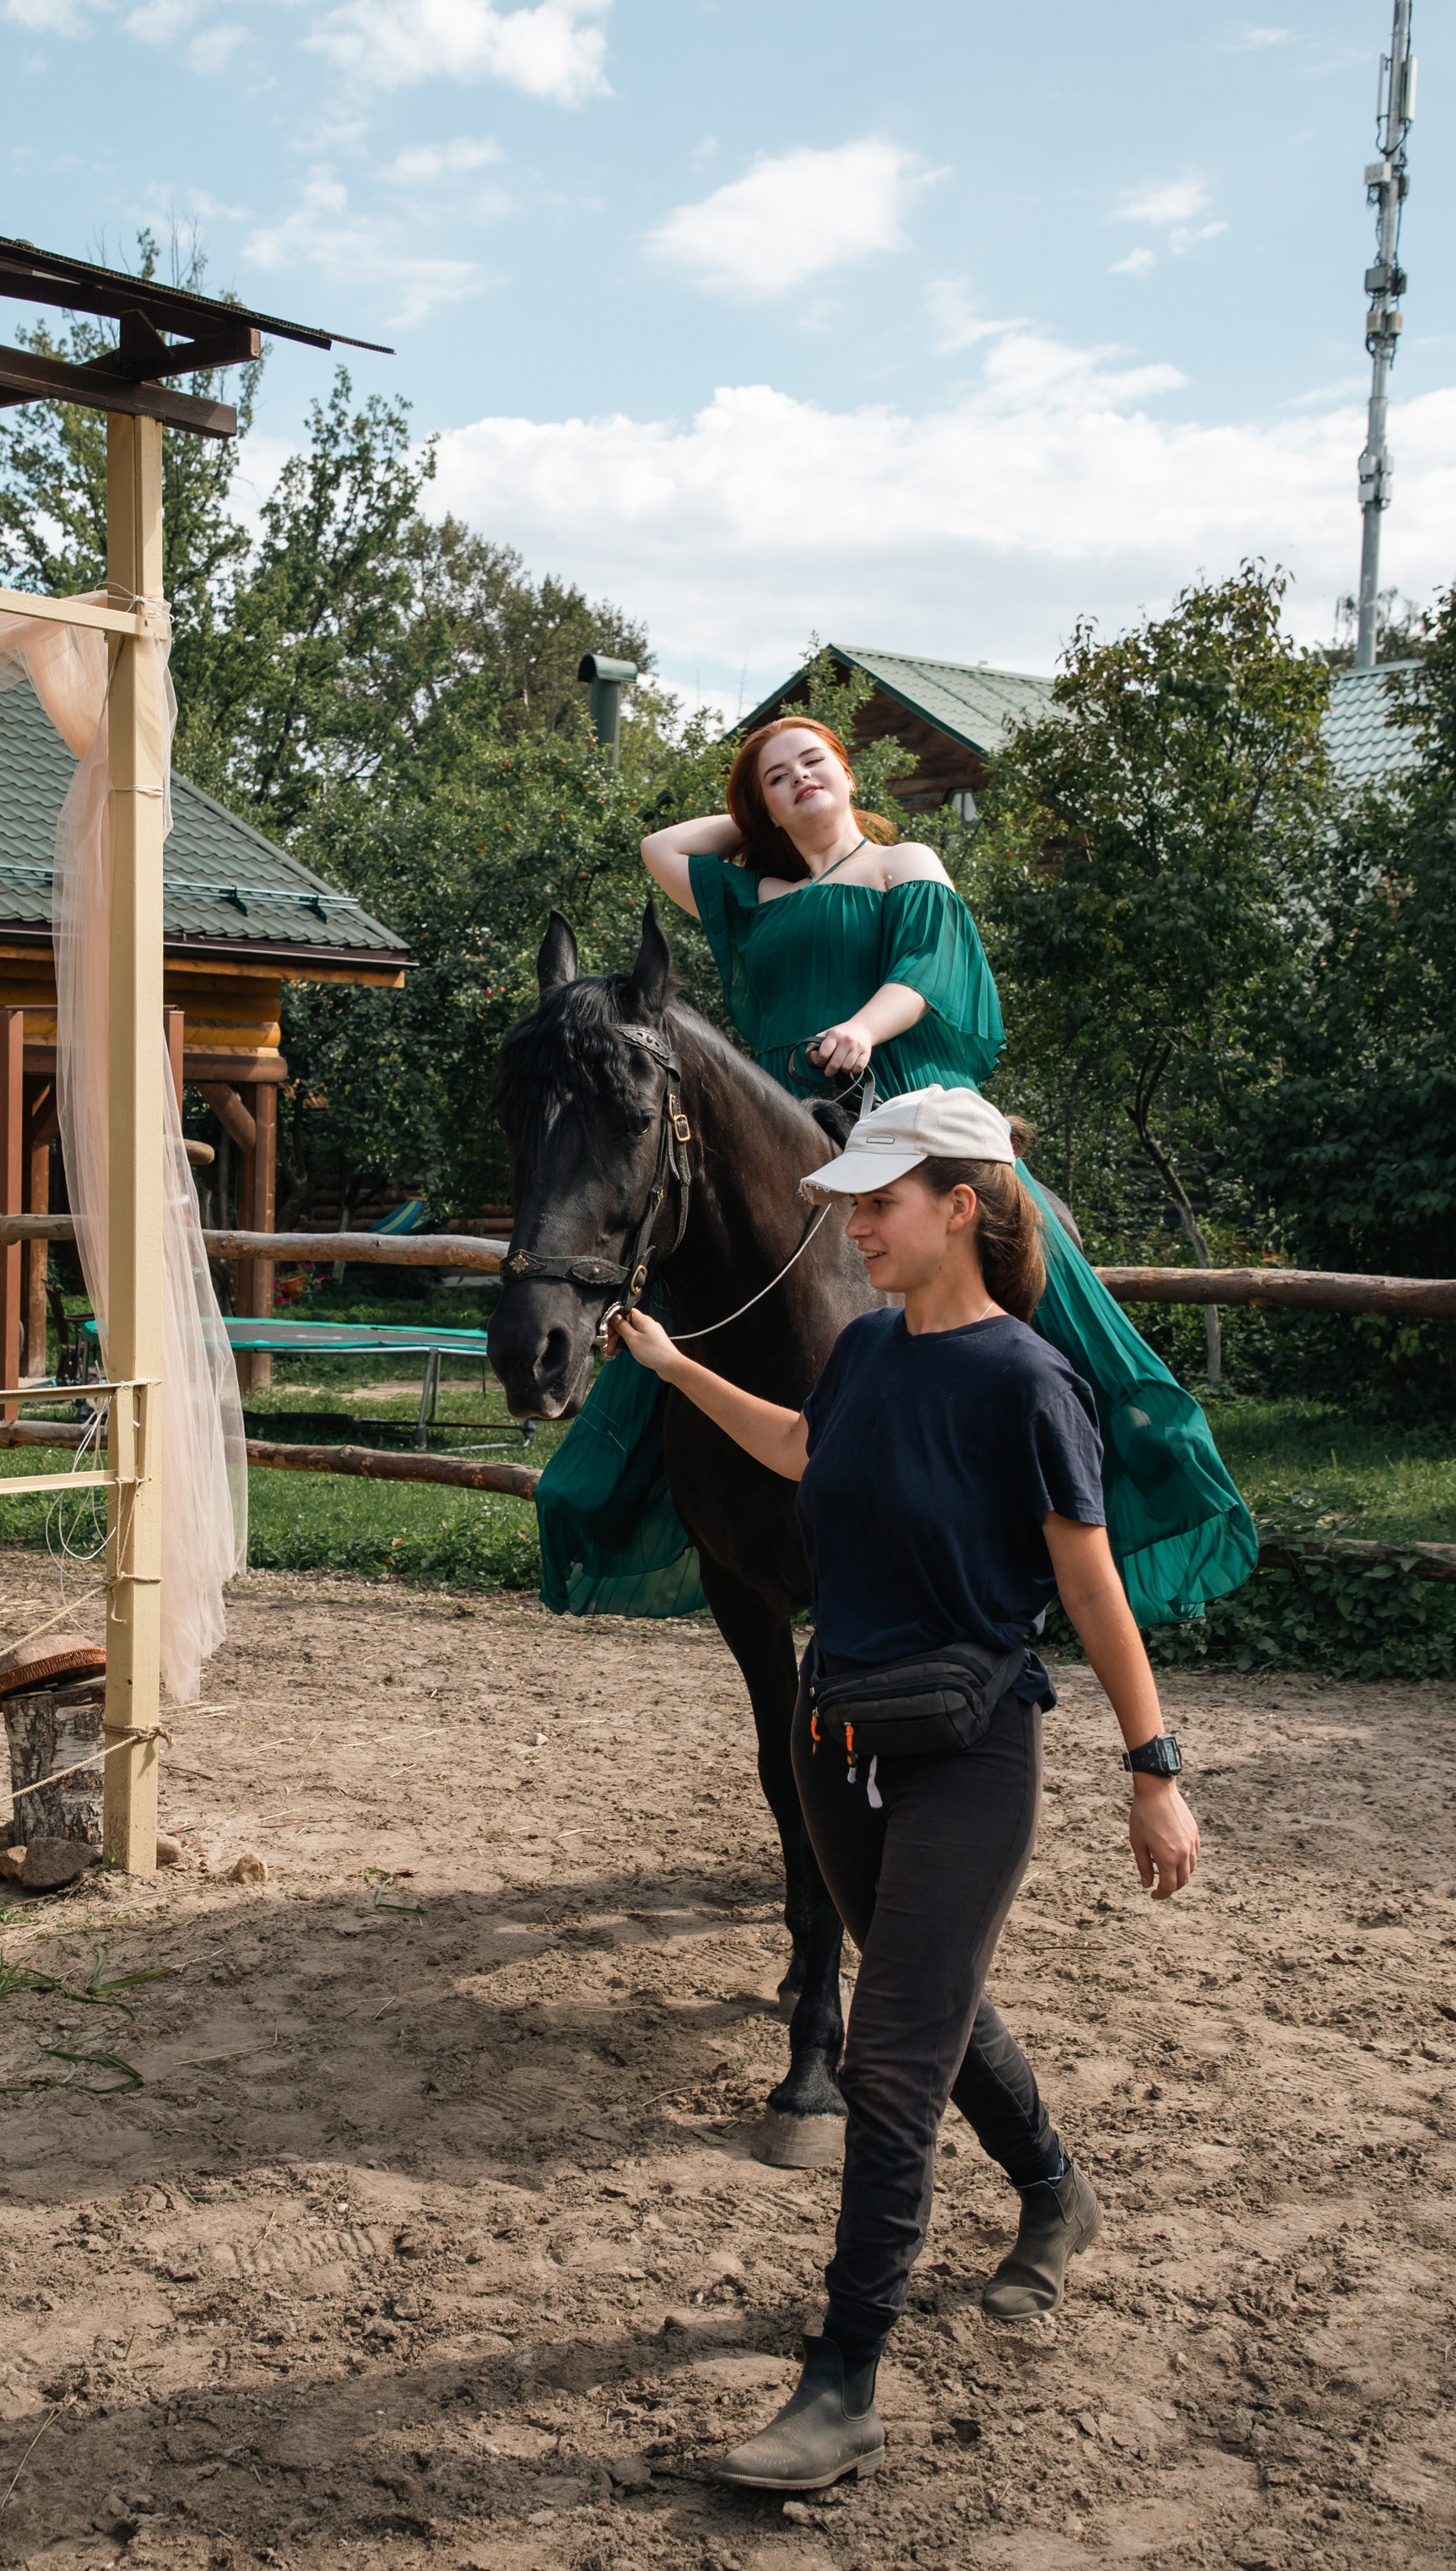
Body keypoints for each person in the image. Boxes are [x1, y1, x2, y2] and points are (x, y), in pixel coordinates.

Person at [613, 1083, 1202, 2490]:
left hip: (971, 1750)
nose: (854, 1222)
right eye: (852, 1202)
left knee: (886, 2057)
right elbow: (810, 1449)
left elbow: (1087, 1579)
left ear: (964, 1206)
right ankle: (1056, 2193)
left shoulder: (1027, 1381)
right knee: (933, 2007)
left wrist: (1152, 1769)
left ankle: (841, 2381)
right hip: (839, 1744)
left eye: (878, 1200)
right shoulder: (868, 1355)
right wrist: (682, 1370)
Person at [533, 713, 1253, 1630]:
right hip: (780, 1114)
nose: (799, 778)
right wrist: (757, 820)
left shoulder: (902, 862)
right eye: (776, 776)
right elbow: (658, 845)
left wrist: (864, 1029)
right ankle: (664, 1467)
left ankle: (1074, 1459)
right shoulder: (750, 888)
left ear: (848, 771)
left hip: (901, 1091)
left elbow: (926, 972)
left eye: (815, 762)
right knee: (689, 1257)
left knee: (1028, 1228)